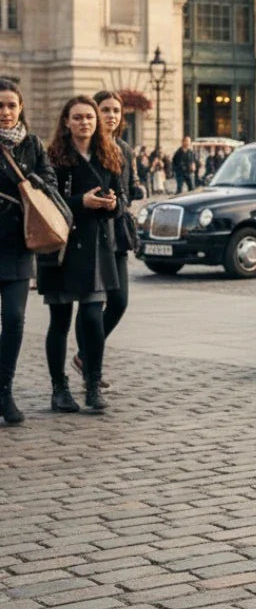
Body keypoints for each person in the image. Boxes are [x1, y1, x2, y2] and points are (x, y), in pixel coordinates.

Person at [39, 97, 124, 414]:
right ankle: (59, 388)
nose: (84, 122)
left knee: (92, 318)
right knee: (60, 321)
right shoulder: (53, 156)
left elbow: (122, 200)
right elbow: (45, 201)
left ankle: (92, 384)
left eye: (89, 117)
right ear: (66, 122)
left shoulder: (109, 154)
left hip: (95, 246)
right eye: (77, 117)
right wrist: (80, 203)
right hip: (61, 247)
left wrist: (113, 204)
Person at [71, 91, 143, 387]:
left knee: (119, 301)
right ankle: (89, 362)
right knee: (90, 305)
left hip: (118, 233)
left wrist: (128, 194)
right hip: (92, 234)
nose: (111, 116)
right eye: (105, 110)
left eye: (116, 110)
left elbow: (131, 186)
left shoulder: (123, 148)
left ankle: (85, 355)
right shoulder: (87, 148)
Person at [0, 78, 57, 425]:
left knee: (15, 320)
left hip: (19, 246)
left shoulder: (32, 144)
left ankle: (4, 391)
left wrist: (30, 183)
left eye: (11, 105)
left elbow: (50, 182)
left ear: (21, 108)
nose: (5, 112)